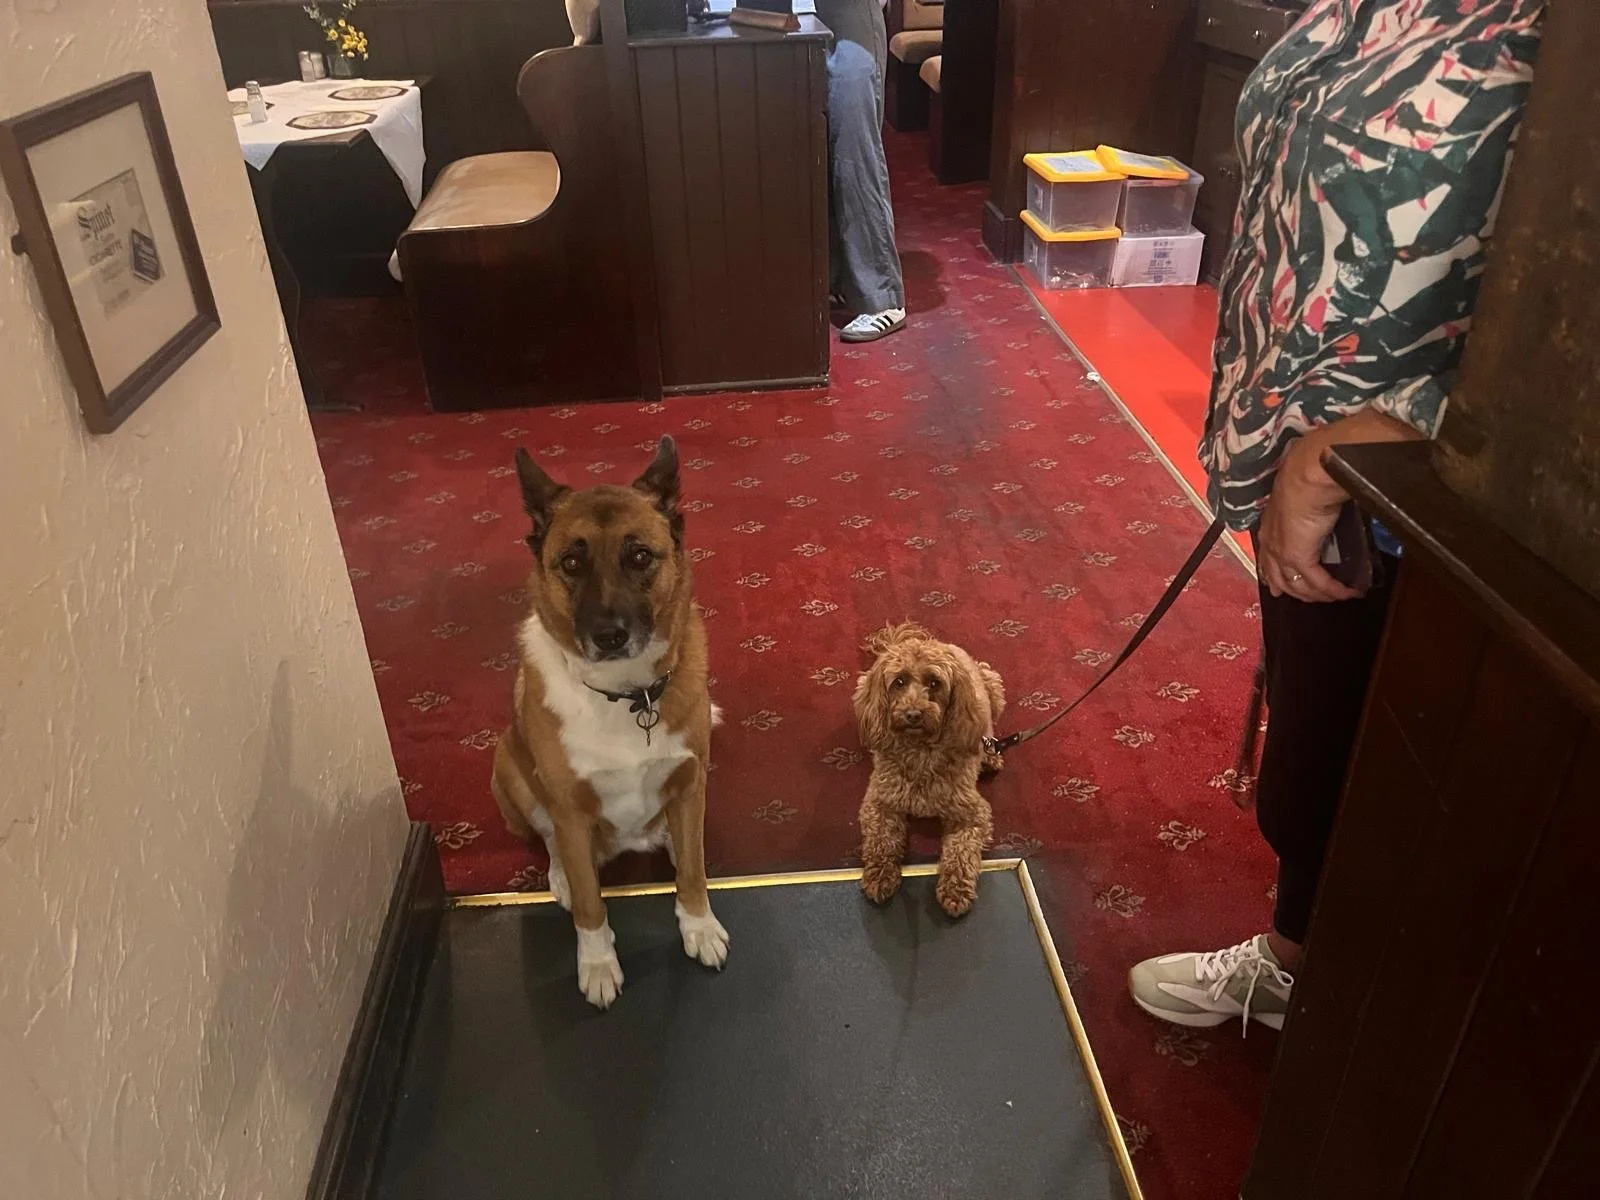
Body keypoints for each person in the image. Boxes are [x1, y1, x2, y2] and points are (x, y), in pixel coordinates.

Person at [1128, 0, 1546, 1033]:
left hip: (1433, 502)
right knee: (1319, 762)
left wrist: (1349, 446)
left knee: (1386, 798)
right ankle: (1300, 961)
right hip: (1300, 473)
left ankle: (1355, 1031)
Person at [816, 0, 907, 342]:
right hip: (807, 14)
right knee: (821, 151)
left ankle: (882, 299)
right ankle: (840, 280)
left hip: (851, 15)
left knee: (854, 155)